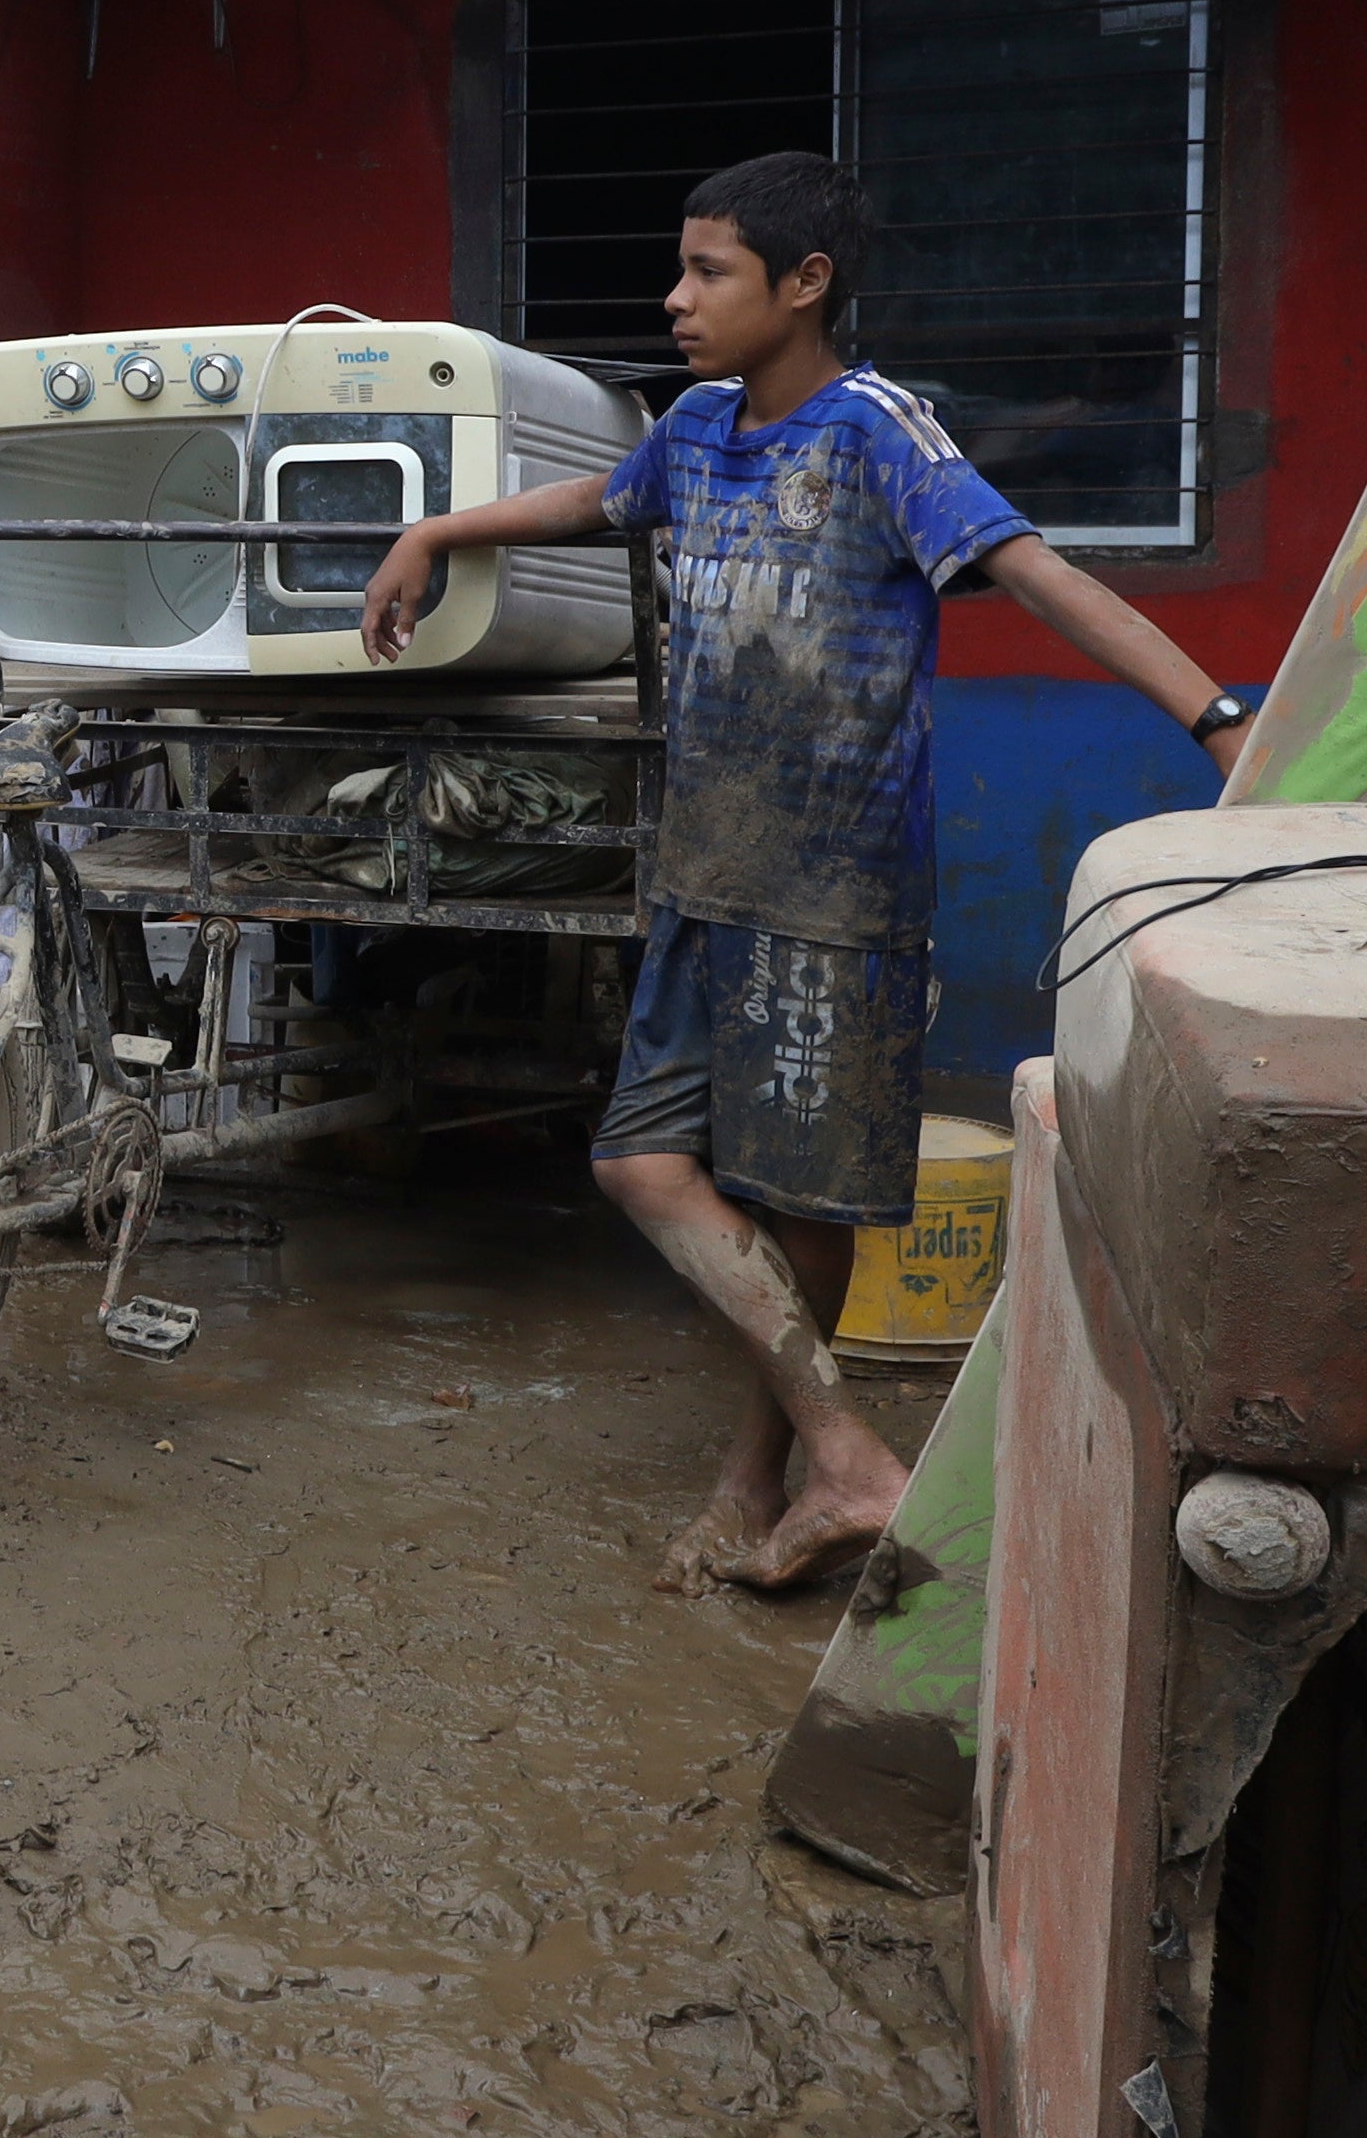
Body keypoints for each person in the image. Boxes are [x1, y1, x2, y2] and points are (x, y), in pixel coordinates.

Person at [357, 153, 1249, 1593]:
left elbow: (1034, 571)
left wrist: (1217, 715)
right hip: (705, 870)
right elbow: (601, 500)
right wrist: (438, 529)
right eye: (684, 266)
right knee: (642, 1160)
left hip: (837, 884)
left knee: (804, 1203)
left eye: (709, 270)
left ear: (806, 283)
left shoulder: (881, 430)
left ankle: (762, 1474)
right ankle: (843, 1451)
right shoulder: (698, 425)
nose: (677, 297)